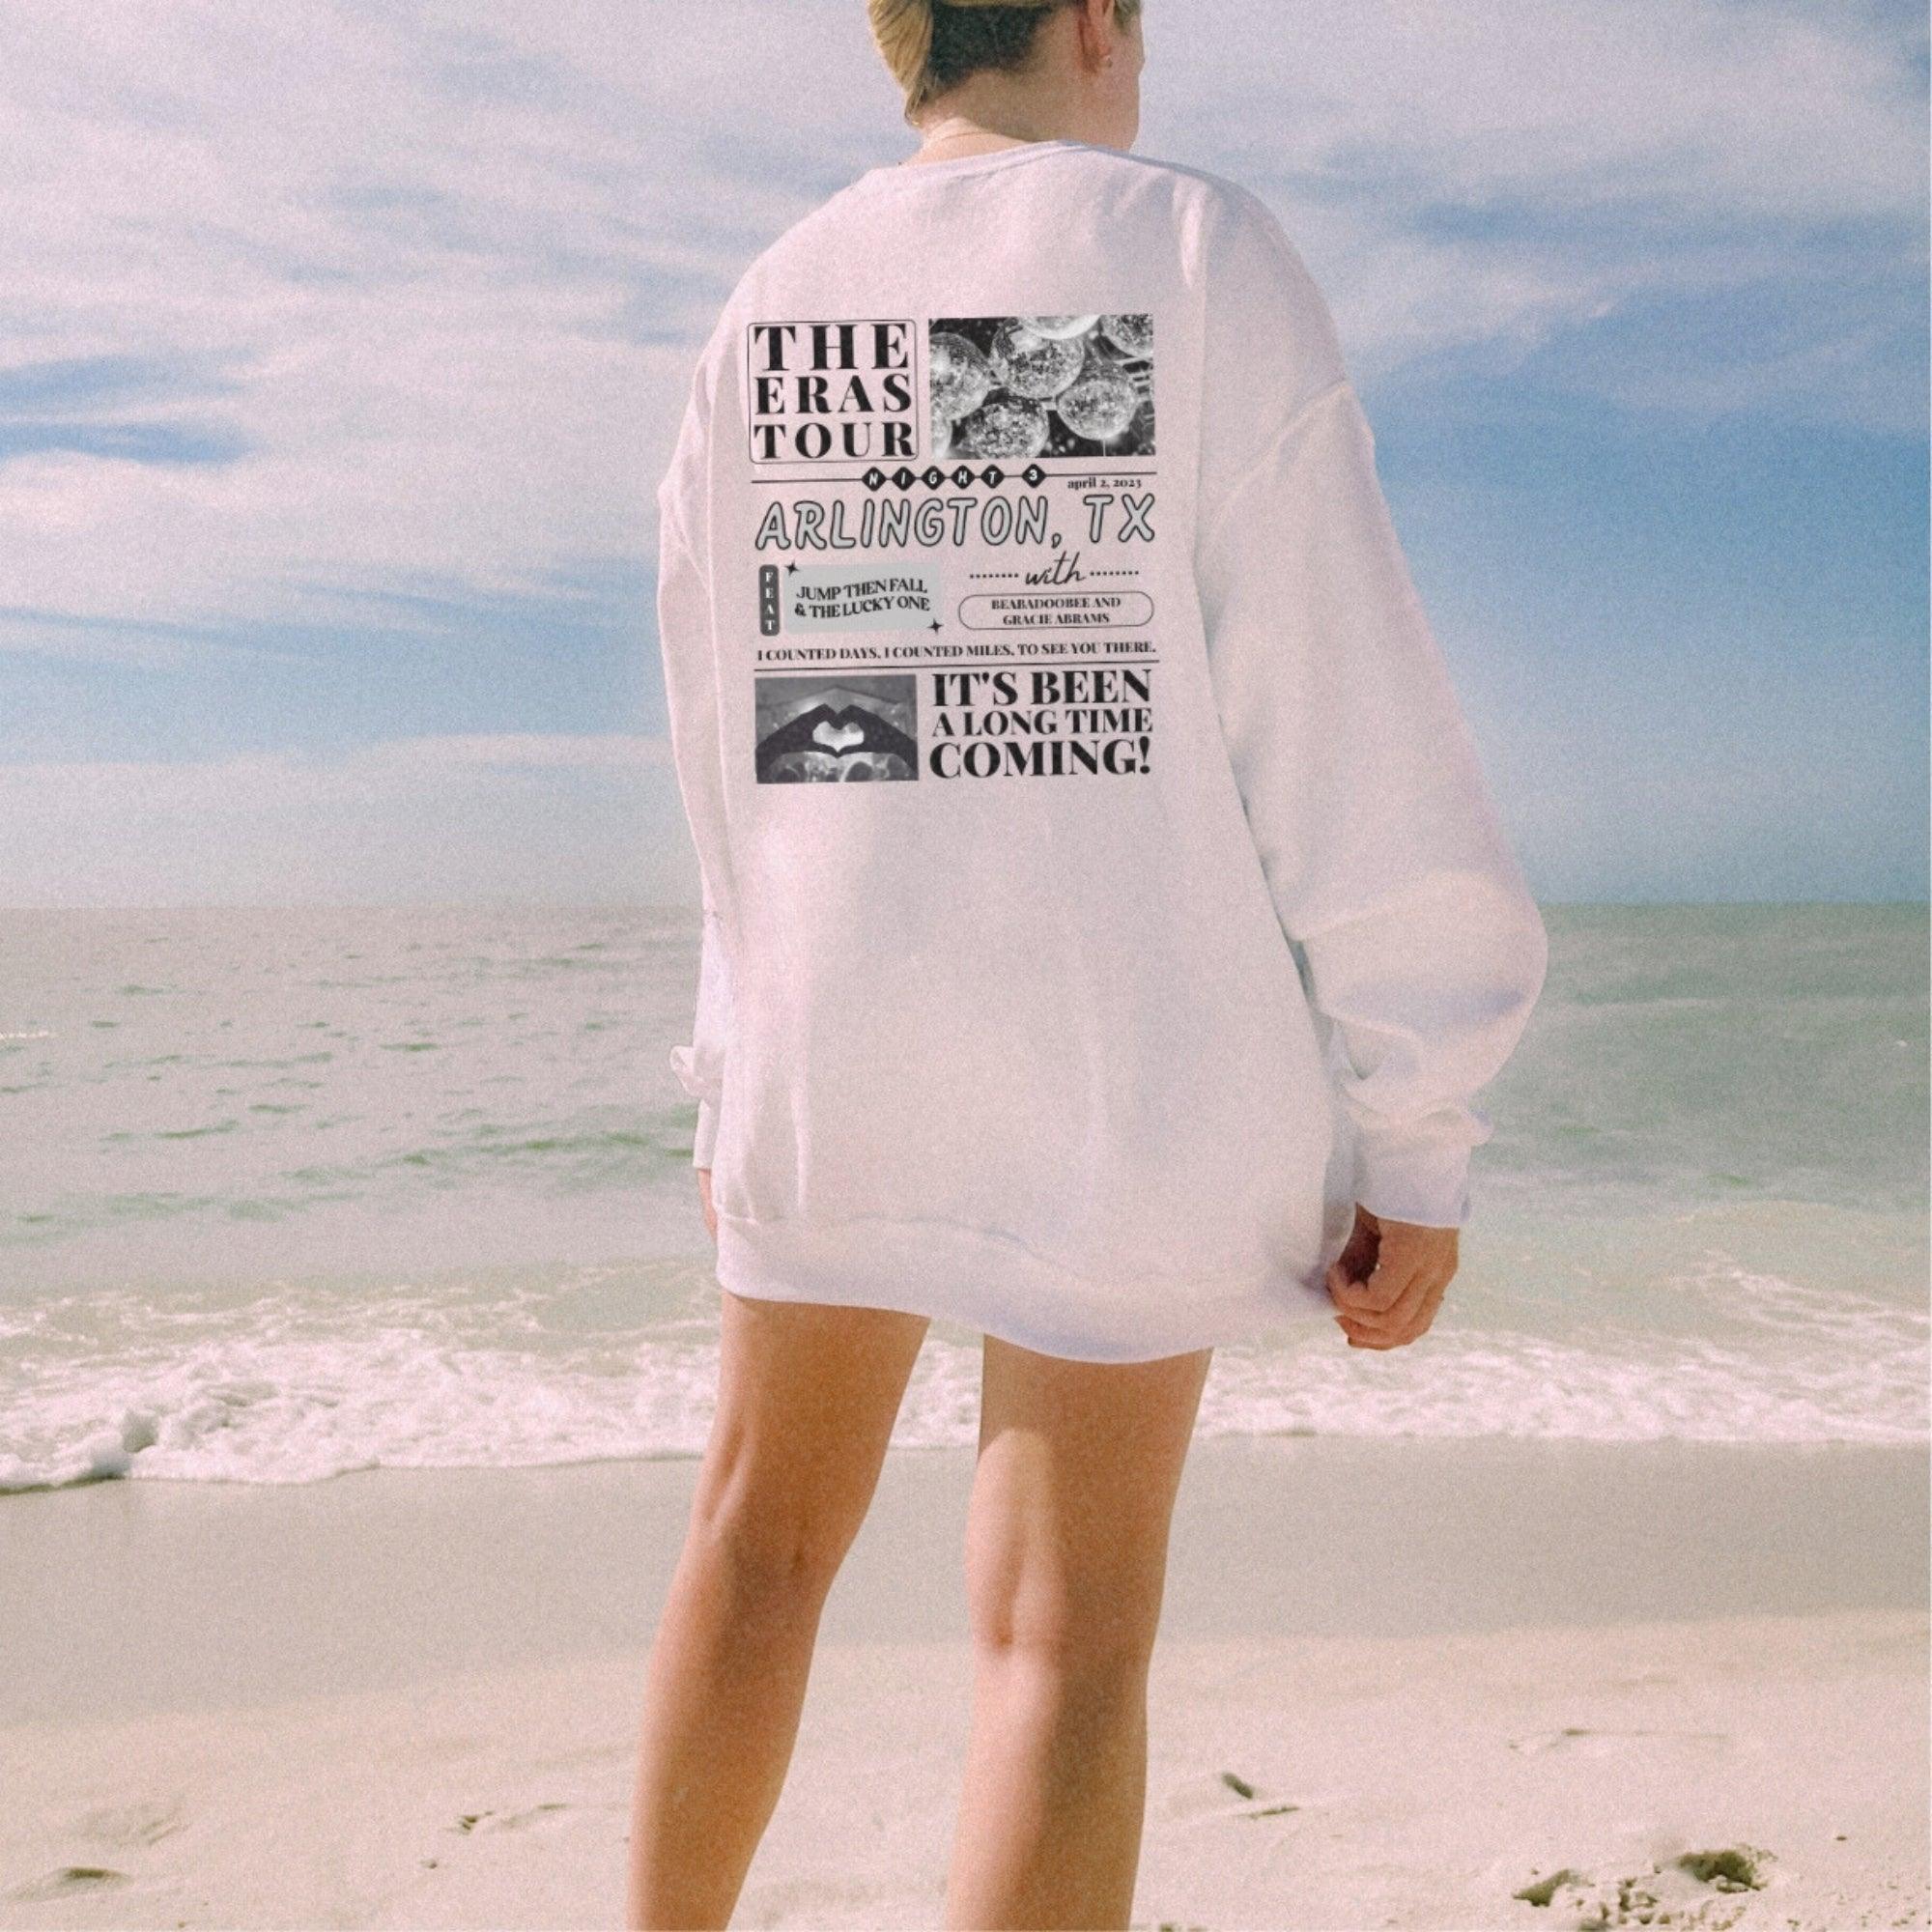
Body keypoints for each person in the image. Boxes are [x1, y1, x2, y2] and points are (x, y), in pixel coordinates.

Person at [631, 1, 1548, 1924]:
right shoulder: (1187, 249)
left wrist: (736, 1063)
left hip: (834, 1035)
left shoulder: (771, 300)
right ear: (1091, 19)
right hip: (1118, 1050)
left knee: (754, 1541)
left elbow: (729, 736)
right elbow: (1335, 708)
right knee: (1067, 1629)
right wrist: (1417, 1122)